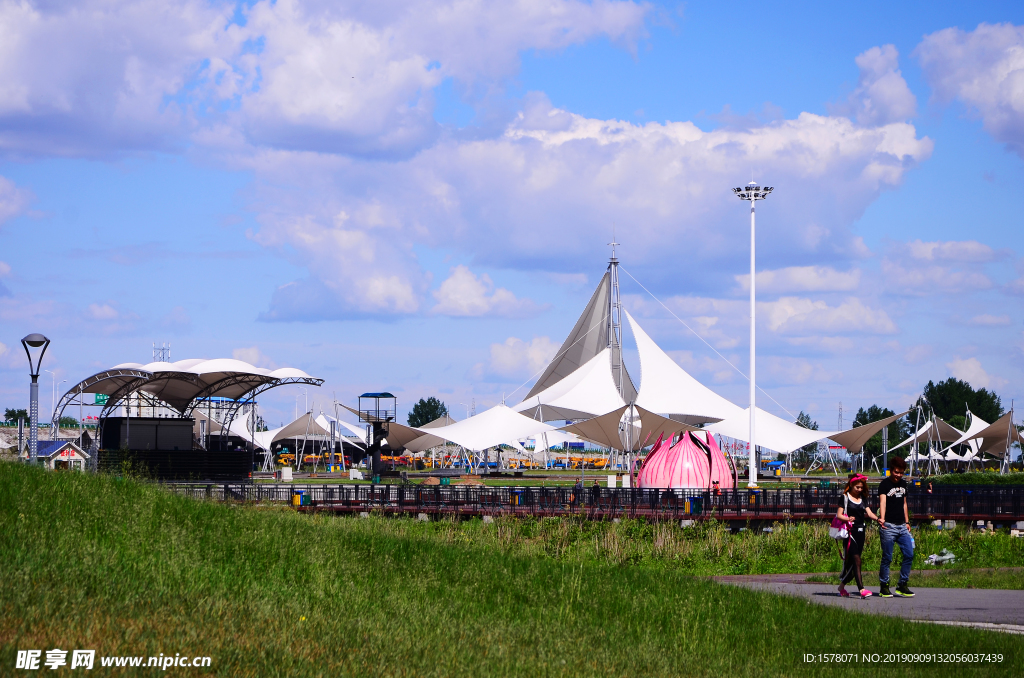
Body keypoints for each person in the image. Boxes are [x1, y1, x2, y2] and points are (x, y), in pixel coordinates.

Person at [836, 474, 881, 599]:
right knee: (857, 560)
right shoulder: (845, 497)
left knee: (853, 563)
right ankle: (861, 590)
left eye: (861, 487)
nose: (859, 490)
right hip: (850, 532)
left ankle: (841, 587)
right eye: (857, 487)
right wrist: (847, 518)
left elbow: (870, 513)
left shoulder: (862, 498)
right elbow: (839, 515)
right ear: (851, 485)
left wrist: (878, 519)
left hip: (861, 532)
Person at [877, 456, 915, 598]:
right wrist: (882, 519)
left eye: (901, 472)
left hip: (902, 526)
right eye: (896, 472)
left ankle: (902, 584)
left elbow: (904, 503)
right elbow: (883, 503)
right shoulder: (885, 485)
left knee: (909, 554)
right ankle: (884, 586)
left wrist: (907, 521)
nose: (898, 475)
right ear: (891, 470)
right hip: (889, 525)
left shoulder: (904, 484)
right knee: (887, 557)